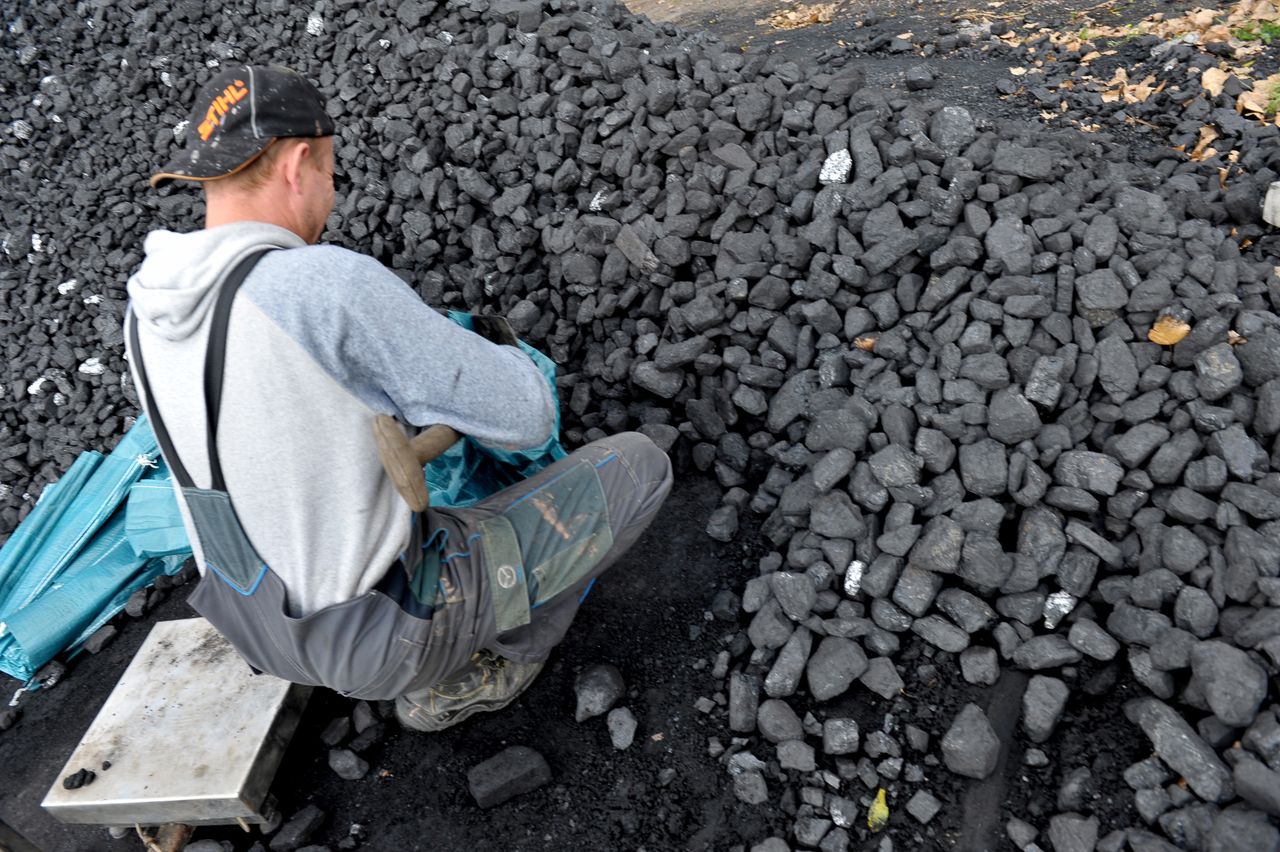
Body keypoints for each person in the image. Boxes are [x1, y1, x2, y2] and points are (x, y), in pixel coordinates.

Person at [125, 65, 673, 731]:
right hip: (386, 632)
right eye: (329, 172)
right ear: (299, 164)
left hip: (255, 626)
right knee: (638, 467)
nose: (329, 194)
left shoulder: (148, 313)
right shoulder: (319, 286)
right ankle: (496, 662)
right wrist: (504, 362)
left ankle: (390, 651)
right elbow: (526, 416)